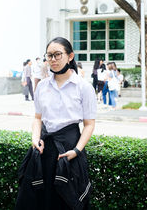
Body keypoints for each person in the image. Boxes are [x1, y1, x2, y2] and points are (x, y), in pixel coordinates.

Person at [15, 37, 97, 210]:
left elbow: (89, 124)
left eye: (57, 55)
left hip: (69, 150)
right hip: (43, 150)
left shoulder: (83, 87)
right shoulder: (42, 86)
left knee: (65, 200)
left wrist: (76, 151)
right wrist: (35, 139)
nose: (53, 59)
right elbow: (38, 118)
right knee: (38, 200)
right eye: (49, 55)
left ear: (70, 56)